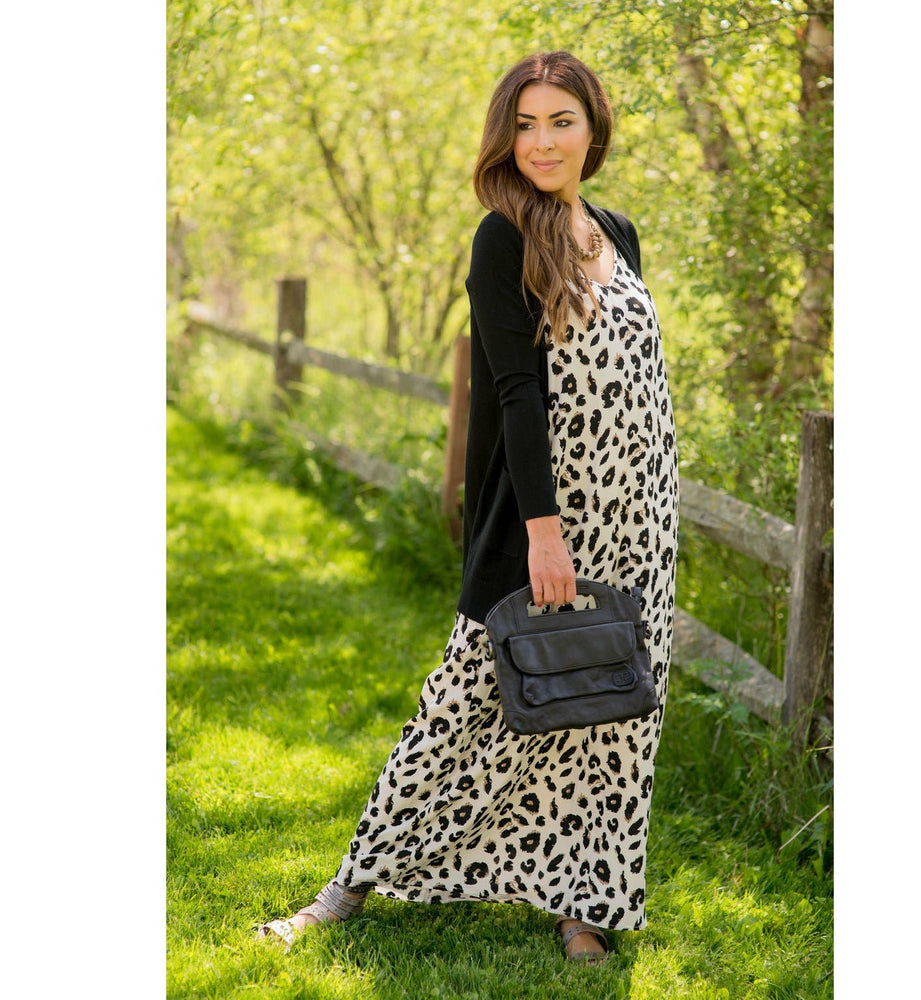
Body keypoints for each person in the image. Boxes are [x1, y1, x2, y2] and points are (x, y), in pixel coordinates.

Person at [257, 50, 679, 966]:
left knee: (614, 714)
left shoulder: (620, 232)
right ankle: (346, 890)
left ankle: (582, 906)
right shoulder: (503, 238)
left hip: (642, 522)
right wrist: (544, 533)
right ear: (505, 137)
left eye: (560, 121)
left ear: (594, 129)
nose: (541, 143)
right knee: (465, 701)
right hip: (548, 518)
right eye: (524, 125)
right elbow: (517, 391)